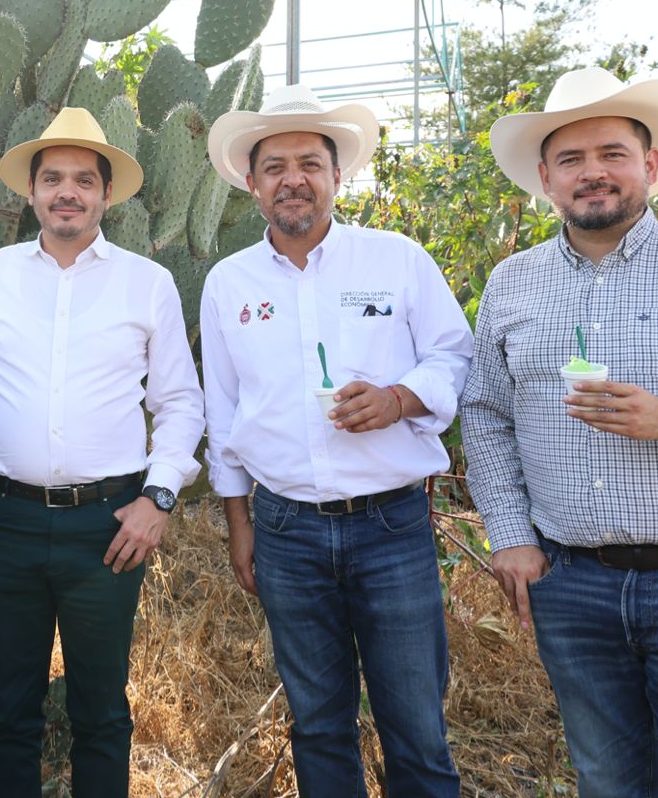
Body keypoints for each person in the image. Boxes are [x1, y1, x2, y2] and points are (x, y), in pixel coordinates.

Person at [462, 66, 658, 797]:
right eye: (571, 159)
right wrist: (509, 533)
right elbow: (485, 412)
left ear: (651, 164)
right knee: (608, 782)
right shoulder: (513, 283)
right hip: (572, 583)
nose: (593, 173)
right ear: (545, 178)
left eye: (612, 153)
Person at [199, 86, 471, 796]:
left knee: (415, 726)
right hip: (285, 529)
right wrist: (239, 523)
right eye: (275, 166)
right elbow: (223, 412)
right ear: (252, 183)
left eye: (310, 164)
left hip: (391, 527)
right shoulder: (229, 283)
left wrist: (398, 399)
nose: (293, 179)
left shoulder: (396, 260)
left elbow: (453, 356)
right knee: (318, 725)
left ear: (337, 176)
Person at [0, 106, 205, 796]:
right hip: (7, 522)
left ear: (106, 194)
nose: (67, 192)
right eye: (52, 177)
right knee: (10, 710)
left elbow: (180, 403)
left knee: (102, 710)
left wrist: (158, 498)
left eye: (84, 179)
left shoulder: (147, 282)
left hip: (108, 526)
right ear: (31, 191)